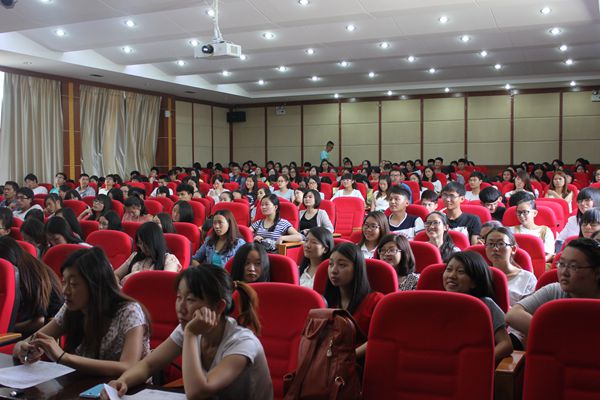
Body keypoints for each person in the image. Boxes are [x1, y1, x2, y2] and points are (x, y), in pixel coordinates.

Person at [105, 265, 273, 399]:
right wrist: (123, 381)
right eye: (179, 297)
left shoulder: (242, 343)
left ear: (219, 306)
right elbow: (149, 365)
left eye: (191, 299)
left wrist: (191, 335)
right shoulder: (190, 327)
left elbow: (197, 393)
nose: (181, 307)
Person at [13, 247, 150, 376]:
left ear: (95, 285)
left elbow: (128, 367)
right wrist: (22, 348)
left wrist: (63, 357)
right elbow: (29, 341)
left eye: (73, 284)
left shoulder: (129, 312)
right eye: (64, 282)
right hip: (85, 383)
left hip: (126, 388)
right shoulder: (71, 308)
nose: (65, 291)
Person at [506, 238, 600, 349]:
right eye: (561, 264)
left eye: (573, 266)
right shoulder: (555, 291)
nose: (564, 272)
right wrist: (557, 336)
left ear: (597, 272)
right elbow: (513, 315)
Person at [442, 251, 513, 364]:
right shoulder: (437, 303)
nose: (451, 276)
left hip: (472, 364)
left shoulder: (485, 305)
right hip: (441, 361)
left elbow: (506, 344)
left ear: (474, 282)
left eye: (460, 271)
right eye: (449, 269)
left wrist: (480, 362)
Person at [325, 243, 384, 358]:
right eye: (330, 264)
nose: (333, 270)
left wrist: (348, 357)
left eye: (342, 265)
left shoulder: (376, 301)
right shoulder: (327, 300)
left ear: (357, 269)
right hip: (328, 361)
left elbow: (378, 339)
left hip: (357, 363)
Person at [0, 236, 62, 336]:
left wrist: (7, 328)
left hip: (42, 333)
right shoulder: (27, 266)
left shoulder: (33, 278)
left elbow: (38, 322)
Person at [114, 221, 182, 285]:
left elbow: (166, 283)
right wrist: (117, 287)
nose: (142, 247)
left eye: (146, 243)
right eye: (140, 243)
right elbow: (116, 275)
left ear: (155, 242)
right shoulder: (135, 255)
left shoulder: (169, 259)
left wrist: (138, 274)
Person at [484, 226, 537, 306]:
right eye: (490, 244)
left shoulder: (527, 278)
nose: (495, 249)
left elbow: (529, 309)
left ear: (513, 249)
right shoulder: (480, 275)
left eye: (501, 244)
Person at [509, 192, 555, 262]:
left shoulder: (545, 231)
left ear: (534, 213)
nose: (521, 216)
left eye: (525, 212)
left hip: (539, 263)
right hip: (516, 263)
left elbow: (549, 254)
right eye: (519, 212)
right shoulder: (511, 230)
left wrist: (536, 263)